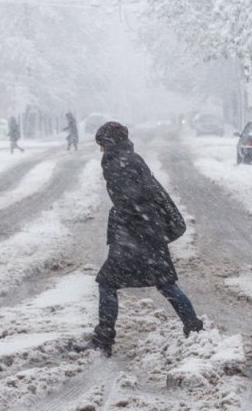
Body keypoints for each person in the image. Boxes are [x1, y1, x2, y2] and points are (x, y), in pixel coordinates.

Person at [76, 121, 203, 357]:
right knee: (165, 283)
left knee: (107, 283)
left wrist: (125, 226)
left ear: (110, 143)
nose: (101, 150)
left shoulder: (118, 164)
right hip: (148, 233)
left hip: (134, 236)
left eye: (102, 144)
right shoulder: (131, 158)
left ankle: (104, 340)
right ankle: (194, 328)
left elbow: (132, 201)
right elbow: (147, 195)